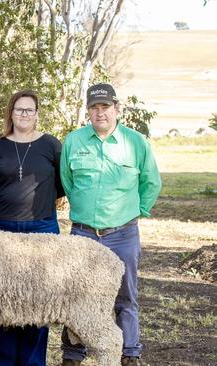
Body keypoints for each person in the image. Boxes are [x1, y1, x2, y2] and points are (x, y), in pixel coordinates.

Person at [59, 83, 161, 366]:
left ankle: (130, 353)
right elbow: (68, 182)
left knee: (125, 295)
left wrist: (134, 212)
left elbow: (151, 183)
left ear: (117, 109)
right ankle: (72, 355)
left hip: (123, 234)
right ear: (88, 112)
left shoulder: (136, 143)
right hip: (84, 234)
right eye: (94, 107)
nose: (100, 112)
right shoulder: (74, 142)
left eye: (105, 107)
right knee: (74, 294)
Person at [0, 89, 65, 366]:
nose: (24, 115)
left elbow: (62, 185)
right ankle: (1, 361)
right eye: (19, 110)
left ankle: (32, 362)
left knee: (36, 302)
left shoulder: (51, 145)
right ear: (11, 113)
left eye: (30, 110)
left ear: (37, 114)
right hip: (2, 231)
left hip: (41, 231)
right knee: (1, 301)